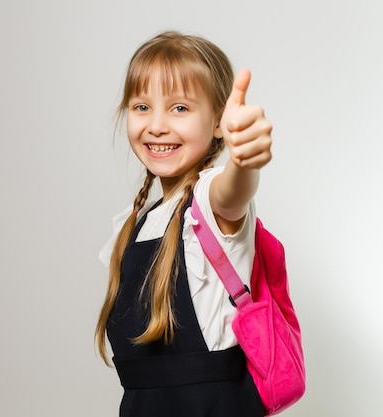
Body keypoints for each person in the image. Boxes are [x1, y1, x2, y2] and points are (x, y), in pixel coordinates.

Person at [95, 30, 273, 417]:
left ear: (218, 123)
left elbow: (233, 193)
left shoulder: (210, 201)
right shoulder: (134, 224)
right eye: (141, 107)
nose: (156, 125)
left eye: (179, 108)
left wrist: (245, 160)